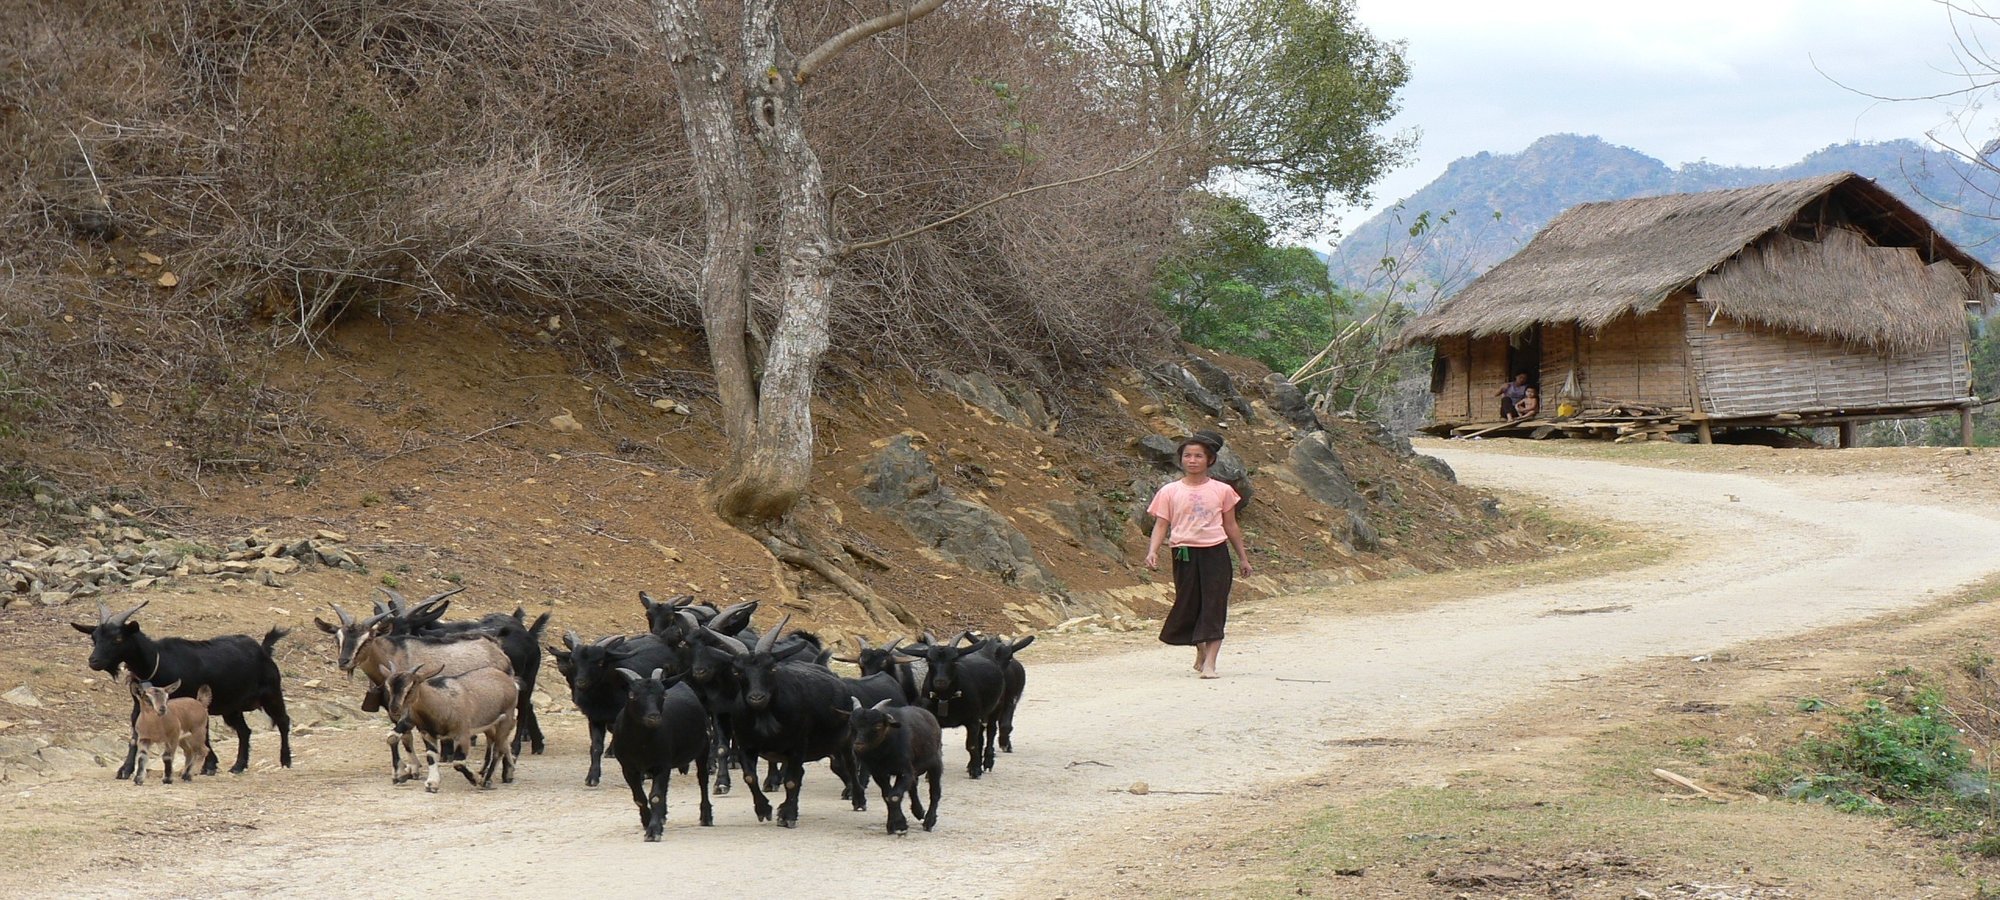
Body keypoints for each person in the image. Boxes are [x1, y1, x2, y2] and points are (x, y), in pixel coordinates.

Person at [1143, 432, 1251, 679]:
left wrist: (1243, 557)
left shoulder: (1222, 490)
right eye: (1187, 456)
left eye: (1198, 456)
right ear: (1181, 460)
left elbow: (1231, 526)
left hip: (1215, 553)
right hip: (1183, 553)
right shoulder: (1169, 491)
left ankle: (1211, 664)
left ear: (1210, 460)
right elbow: (1161, 525)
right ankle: (1200, 649)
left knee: (1214, 606)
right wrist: (1152, 551)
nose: (1192, 460)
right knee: (1188, 606)